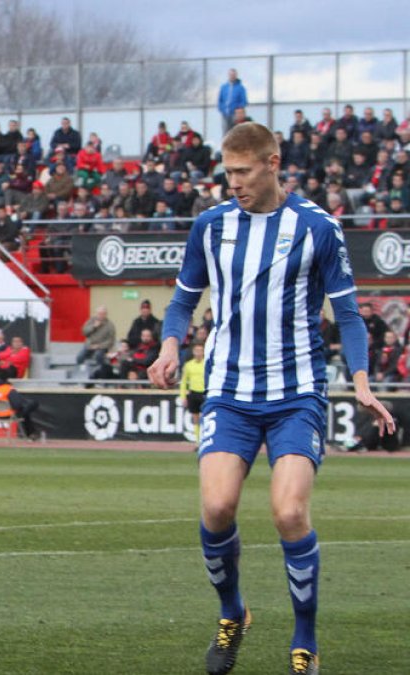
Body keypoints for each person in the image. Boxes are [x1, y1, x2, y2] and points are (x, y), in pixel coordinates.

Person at [147, 122, 395, 675]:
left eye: (242, 171)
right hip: (230, 393)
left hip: (296, 393)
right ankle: (234, 614)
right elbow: (182, 302)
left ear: (273, 162)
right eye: (227, 171)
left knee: (288, 512)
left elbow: (349, 314)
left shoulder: (317, 229)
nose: (232, 182)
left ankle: (304, 640)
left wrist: (360, 382)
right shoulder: (211, 227)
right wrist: (169, 346)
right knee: (216, 508)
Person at [179, 341, 207, 446]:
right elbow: (184, 382)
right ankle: (198, 441)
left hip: (205, 393)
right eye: (196, 351)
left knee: (207, 417)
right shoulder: (188, 365)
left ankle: (205, 440)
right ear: (193, 352)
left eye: (200, 350)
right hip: (193, 393)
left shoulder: (207, 363)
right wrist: (183, 396)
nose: (198, 353)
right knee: (195, 418)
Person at [77, 306, 116, 371]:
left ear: (106, 314)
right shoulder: (90, 321)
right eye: (99, 313)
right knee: (80, 357)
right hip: (89, 345)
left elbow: (111, 340)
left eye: (103, 314)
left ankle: (99, 372)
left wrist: (99, 346)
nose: (100, 315)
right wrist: (93, 327)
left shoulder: (110, 325)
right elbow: (84, 332)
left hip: (102, 346)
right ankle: (81, 372)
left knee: (98, 356)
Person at [218, 69, 248, 133]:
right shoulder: (224, 87)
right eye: (230, 75)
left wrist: (237, 109)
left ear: (236, 76)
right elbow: (220, 100)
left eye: (233, 75)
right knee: (225, 131)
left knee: (234, 131)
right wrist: (221, 108)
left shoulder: (240, 88)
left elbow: (244, 101)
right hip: (225, 113)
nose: (232, 76)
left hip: (235, 114)